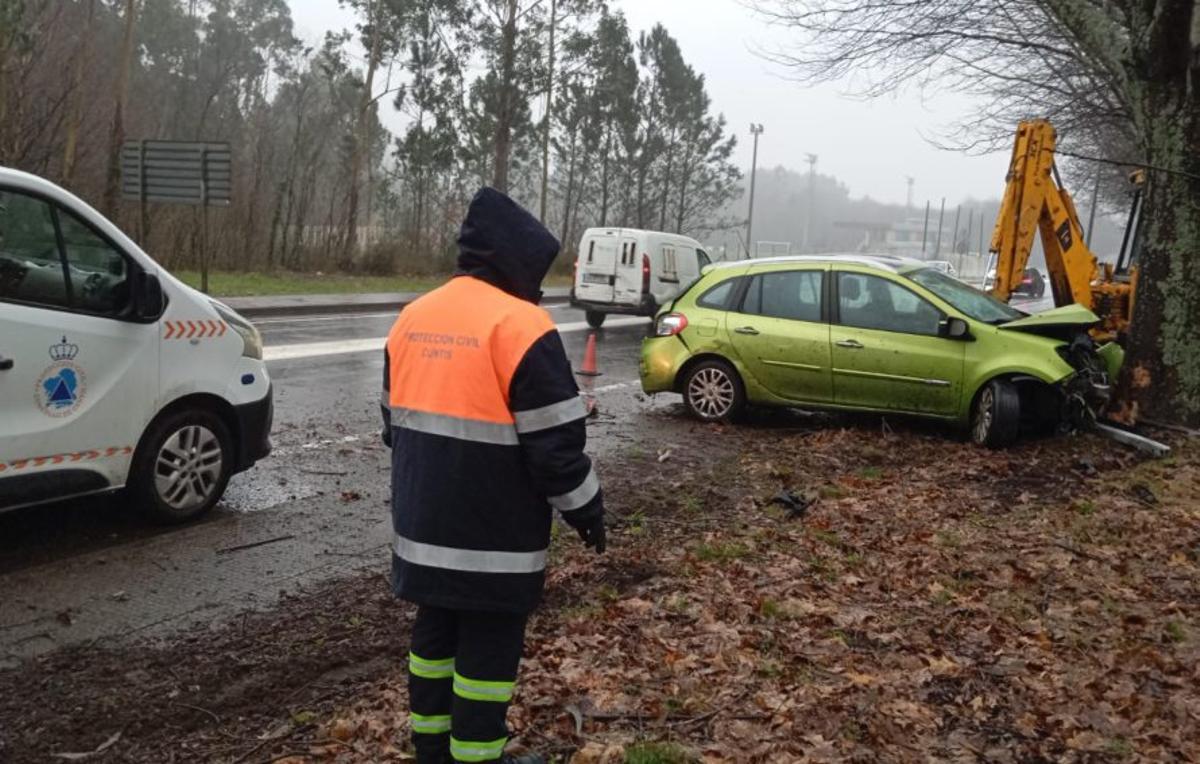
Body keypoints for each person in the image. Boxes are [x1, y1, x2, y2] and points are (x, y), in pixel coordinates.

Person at [381, 187, 607, 764]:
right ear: (516, 261)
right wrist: (588, 510)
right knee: (487, 655)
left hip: (421, 532)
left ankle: (432, 751)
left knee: (434, 639)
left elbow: (392, 424)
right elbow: (555, 450)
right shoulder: (522, 326)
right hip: (494, 543)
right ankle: (478, 757)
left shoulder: (413, 317)